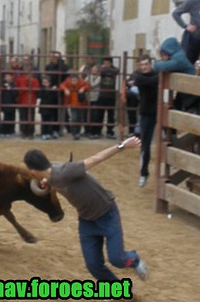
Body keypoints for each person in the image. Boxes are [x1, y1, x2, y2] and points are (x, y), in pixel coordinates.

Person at [23, 135, 149, 282]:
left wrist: (122, 146)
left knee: (117, 259)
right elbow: (51, 178)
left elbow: (95, 159)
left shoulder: (66, 171)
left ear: (33, 172)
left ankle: (134, 260)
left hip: (107, 213)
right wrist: (46, 183)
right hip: (87, 220)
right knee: (93, 265)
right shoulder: (51, 174)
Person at [133, 55, 159, 187]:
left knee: (170, 139)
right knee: (145, 144)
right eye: (142, 64)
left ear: (150, 64)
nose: (144, 67)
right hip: (147, 113)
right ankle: (143, 173)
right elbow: (152, 82)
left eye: (146, 64)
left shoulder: (156, 74)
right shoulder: (139, 77)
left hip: (161, 111)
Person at [172, 0, 200, 64]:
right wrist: (186, 26)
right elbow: (176, 13)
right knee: (189, 63)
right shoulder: (192, 0)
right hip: (194, 38)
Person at [45, 51, 69, 137]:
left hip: (60, 92)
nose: (53, 58)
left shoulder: (63, 66)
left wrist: (59, 86)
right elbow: (47, 77)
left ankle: (58, 129)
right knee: (51, 111)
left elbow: (66, 78)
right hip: (51, 91)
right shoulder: (48, 66)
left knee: (60, 112)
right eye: (51, 57)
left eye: (54, 57)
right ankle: (51, 130)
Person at [59, 73, 89, 140]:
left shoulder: (82, 82)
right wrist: (65, 89)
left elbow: (88, 85)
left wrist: (83, 88)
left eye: (75, 80)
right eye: (73, 80)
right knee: (74, 118)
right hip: (72, 104)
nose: (74, 82)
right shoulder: (68, 81)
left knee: (79, 119)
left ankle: (77, 133)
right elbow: (61, 85)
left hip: (81, 104)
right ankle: (74, 133)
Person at [14, 70, 39, 139]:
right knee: (23, 117)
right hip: (22, 101)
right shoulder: (22, 79)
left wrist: (29, 85)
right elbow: (20, 89)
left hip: (31, 102)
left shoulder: (34, 80)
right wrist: (28, 86)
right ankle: (23, 132)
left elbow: (36, 89)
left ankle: (31, 132)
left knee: (31, 118)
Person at [99, 57, 119, 139]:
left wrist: (107, 70)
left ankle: (110, 131)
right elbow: (101, 71)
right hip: (102, 94)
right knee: (100, 114)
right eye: (105, 63)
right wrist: (106, 70)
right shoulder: (102, 69)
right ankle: (98, 131)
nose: (106, 65)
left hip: (111, 95)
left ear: (110, 63)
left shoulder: (114, 69)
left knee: (111, 114)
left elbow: (117, 71)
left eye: (107, 63)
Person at [38, 76, 58, 140]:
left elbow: (55, 97)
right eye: (43, 82)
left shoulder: (53, 89)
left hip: (51, 107)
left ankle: (49, 133)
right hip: (43, 107)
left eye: (46, 82)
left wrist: (53, 90)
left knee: (50, 121)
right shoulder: (41, 89)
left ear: (49, 83)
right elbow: (39, 96)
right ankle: (44, 133)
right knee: (44, 121)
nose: (45, 84)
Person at [87, 65, 102, 139]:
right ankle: (89, 131)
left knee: (95, 115)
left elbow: (92, 84)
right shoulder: (89, 76)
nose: (94, 70)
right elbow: (85, 83)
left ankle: (95, 132)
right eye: (93, 69)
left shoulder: (99, 77)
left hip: (96, 98)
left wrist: (88, 81)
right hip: (89, 98)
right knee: (89, 115)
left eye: (95, 69)